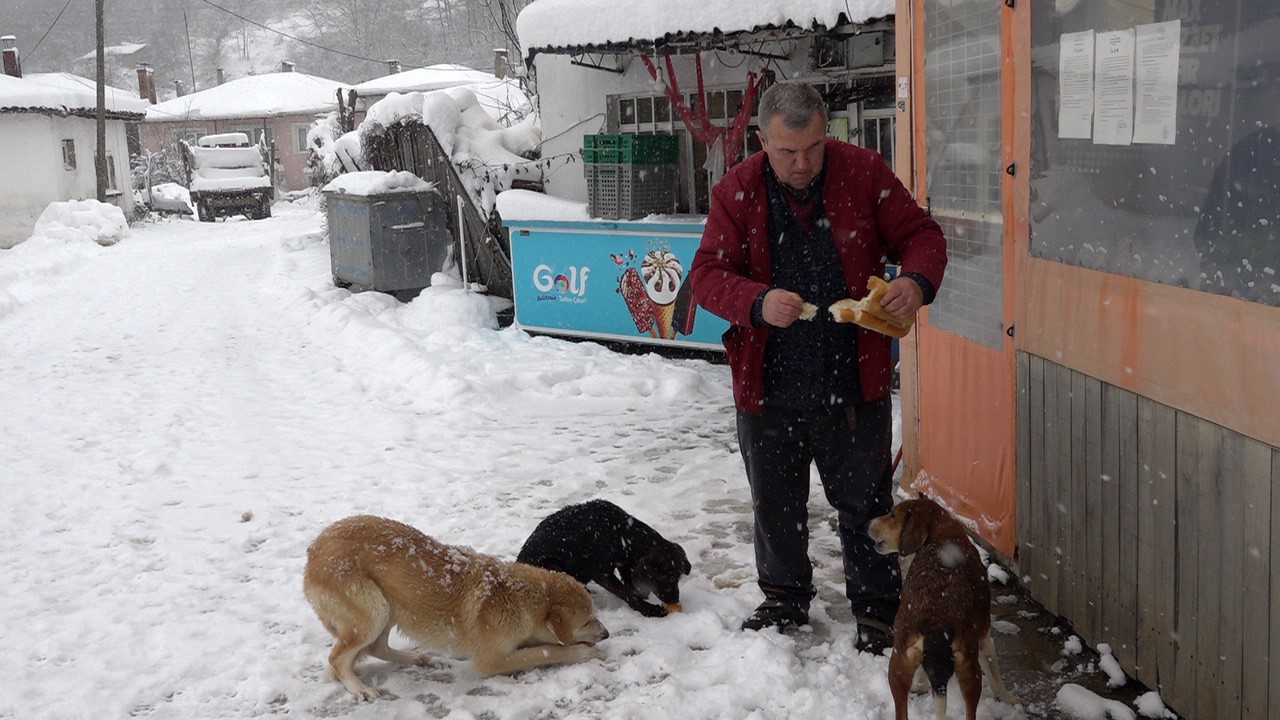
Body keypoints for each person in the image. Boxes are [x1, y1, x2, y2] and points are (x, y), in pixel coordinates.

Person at [688, 81, 947, 653]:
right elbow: (706, 274)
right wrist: (756, 302)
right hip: (769, 382)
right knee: (774, 501)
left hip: (853, 379)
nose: (802, 163)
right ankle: (784, 597)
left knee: (864, 502)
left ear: (827, 134)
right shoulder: (737, 191)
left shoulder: (864, 172)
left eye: (813, 148)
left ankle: (879, 610)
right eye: (787, 152)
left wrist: (915, 280)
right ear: (762, 140)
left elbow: (922, 235)